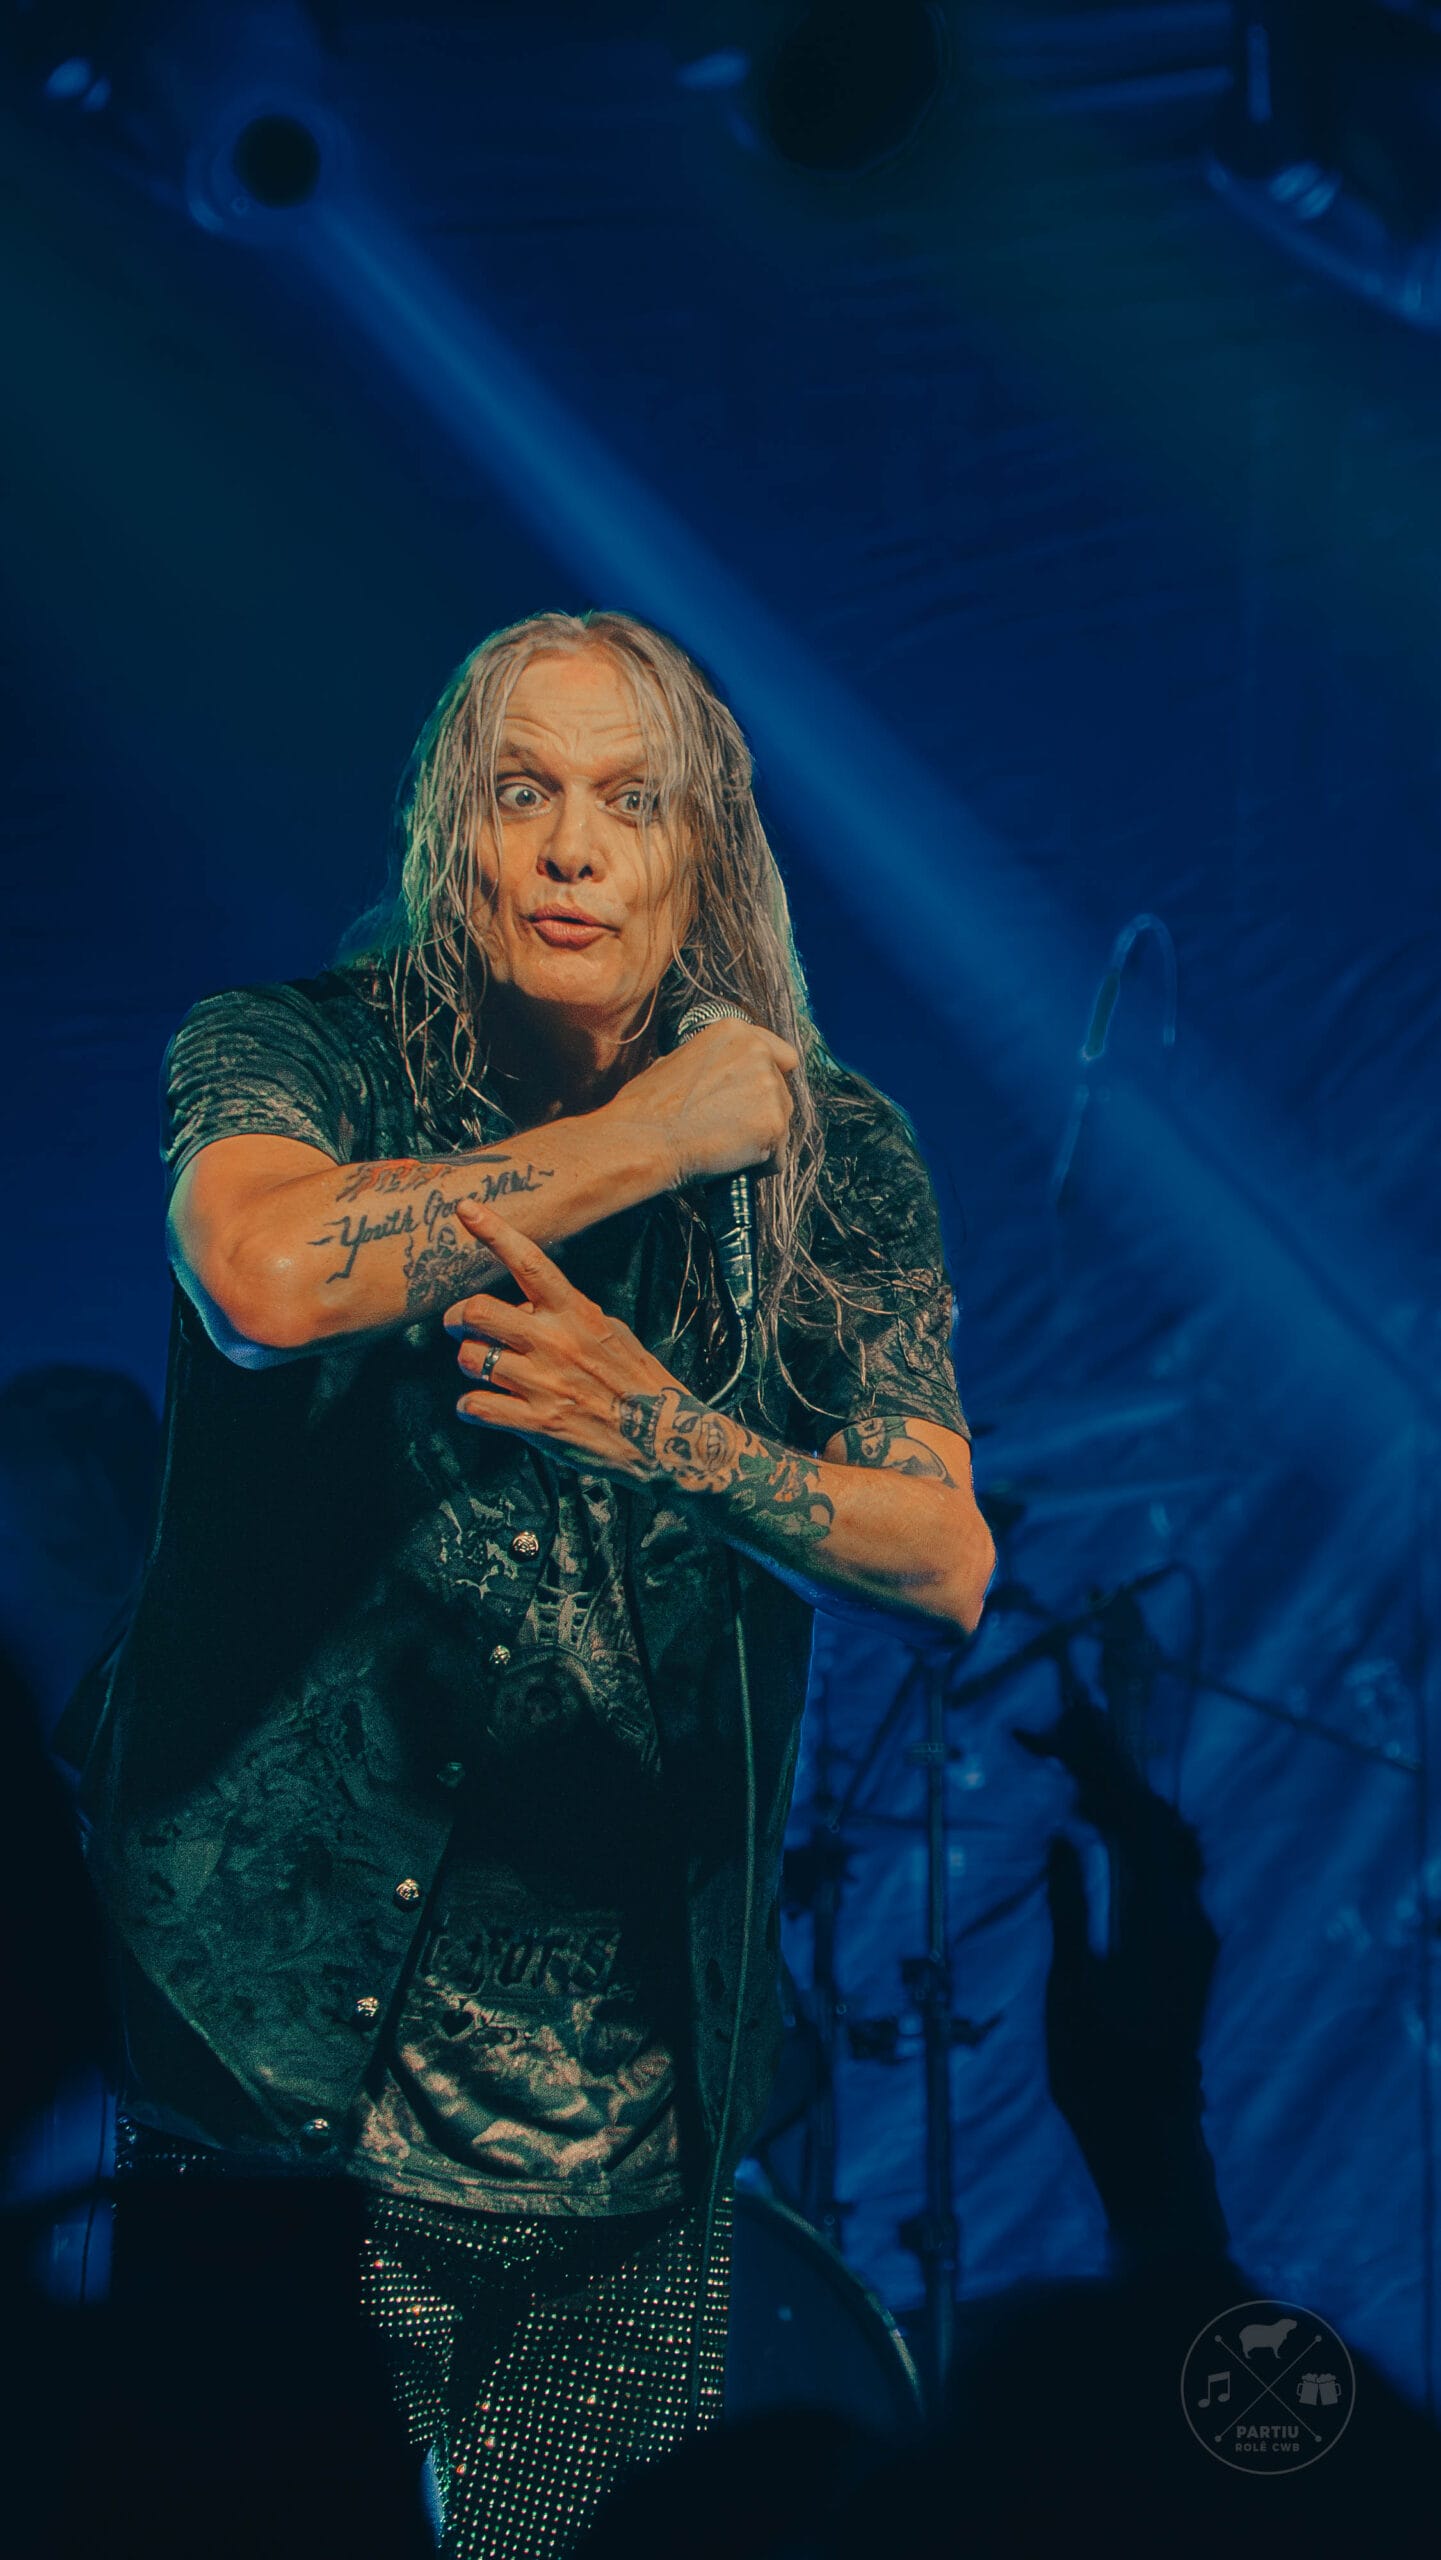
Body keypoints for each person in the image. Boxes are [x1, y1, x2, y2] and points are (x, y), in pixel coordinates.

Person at [63, 608, 994, 2557]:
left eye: (628, 803)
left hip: (621, 2130)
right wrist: (651, 1131)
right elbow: (263, 1277)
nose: (573, 847)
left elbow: (940, 1559)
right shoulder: (294, 1051)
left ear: (701, 849)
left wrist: (663, 1429)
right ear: (451, 833)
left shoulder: (828, 1158)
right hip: (269, 2087)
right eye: (524, 793)